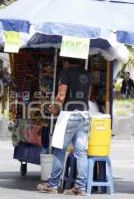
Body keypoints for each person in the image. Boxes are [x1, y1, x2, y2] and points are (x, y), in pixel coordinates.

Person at [37, 58, 92, 196]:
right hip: (84, 115)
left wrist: (54, 108)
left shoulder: (65, 72)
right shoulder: (86, 74)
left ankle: (52, 184)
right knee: (81, 152)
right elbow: (88, 96)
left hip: (68, 115)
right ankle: (80, 187)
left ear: (66, 61)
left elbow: (61, 96)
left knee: (59, 150)